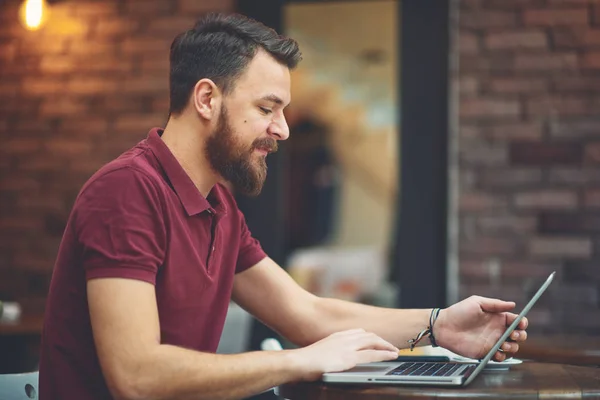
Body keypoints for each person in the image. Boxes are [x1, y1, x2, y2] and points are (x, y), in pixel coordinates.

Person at [38, 12, 528, 400]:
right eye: (267, 108)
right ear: (207, 98)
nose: (283, 129)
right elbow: (137, 376)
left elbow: (308, 313)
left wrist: (441, 326)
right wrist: (303, 360)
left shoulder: (219, 209)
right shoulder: (127, 191)